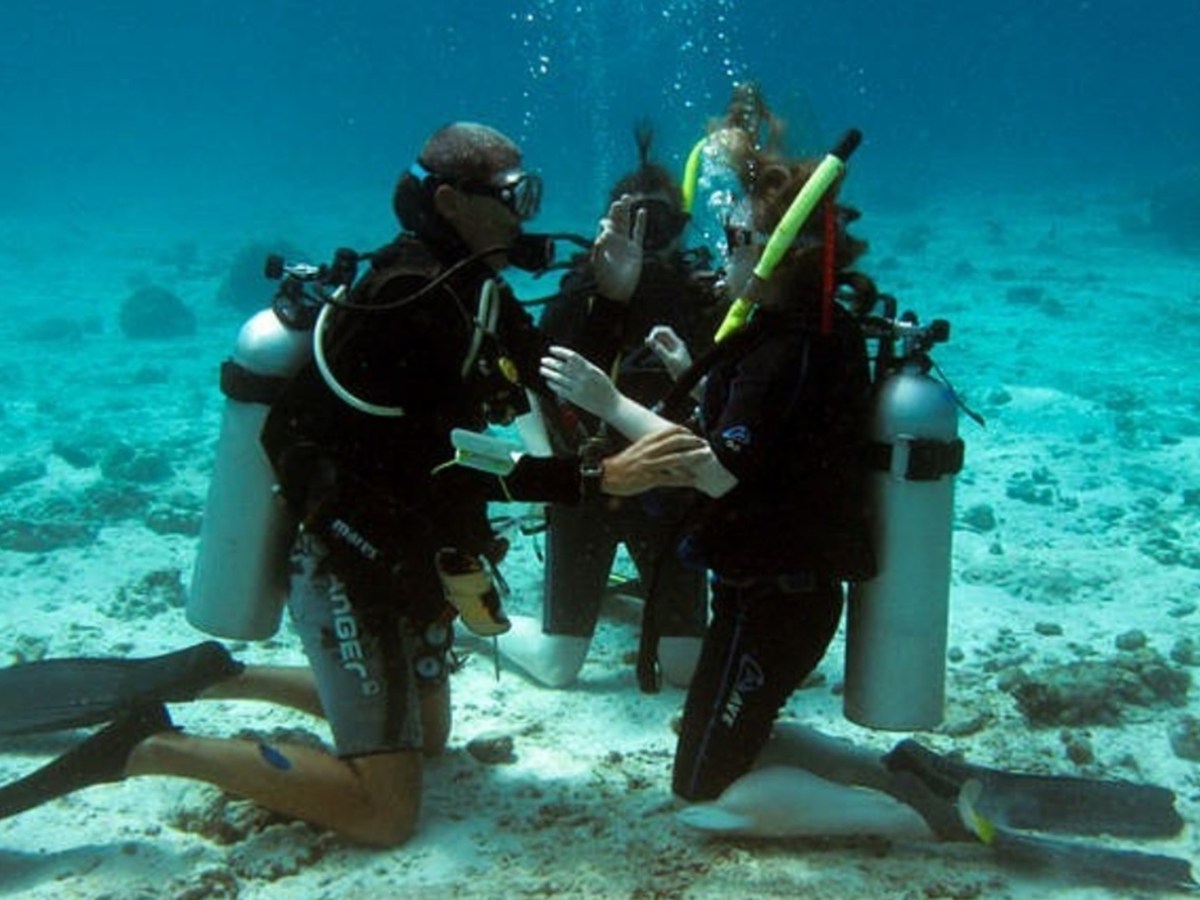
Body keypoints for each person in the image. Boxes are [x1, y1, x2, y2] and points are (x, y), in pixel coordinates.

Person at [0, 122, 702, 846]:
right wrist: (596, 476)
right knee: (385, 813)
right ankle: (149, 749)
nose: (525, 212)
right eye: (513, 195)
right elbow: (443, 470)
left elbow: (556, 383)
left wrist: (615, 299)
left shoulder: (473, 291)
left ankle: (218, 678)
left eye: (532, 192)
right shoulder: (410, 302)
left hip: (408, 550)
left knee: (428, 738)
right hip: (349, 562)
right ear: (455, 203)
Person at [540, 145, 882, 820]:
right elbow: (764, 451)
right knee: (715, 740)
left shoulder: (786, 346)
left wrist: (609, 402)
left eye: (736, 238)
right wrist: (688, 377)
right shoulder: (802, 330)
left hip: (775, 600)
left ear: (784, 254)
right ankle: (890, 776)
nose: (722, 250)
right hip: (770, 590)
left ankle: (910, 820)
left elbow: (722, 474)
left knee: (703, 795)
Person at [497, 122, 723, 690]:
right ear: (610, 223)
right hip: (588, 488)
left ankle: (630, 595)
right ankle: (472, 625)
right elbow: (524, 382)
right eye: (633, 219)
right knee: (557, 669)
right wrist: (550, 474)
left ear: (682, 228)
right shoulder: (577, 294)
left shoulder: (702, 301)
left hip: (671, 494)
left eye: (662, 222)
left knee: (684, 671)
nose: (646, 236)